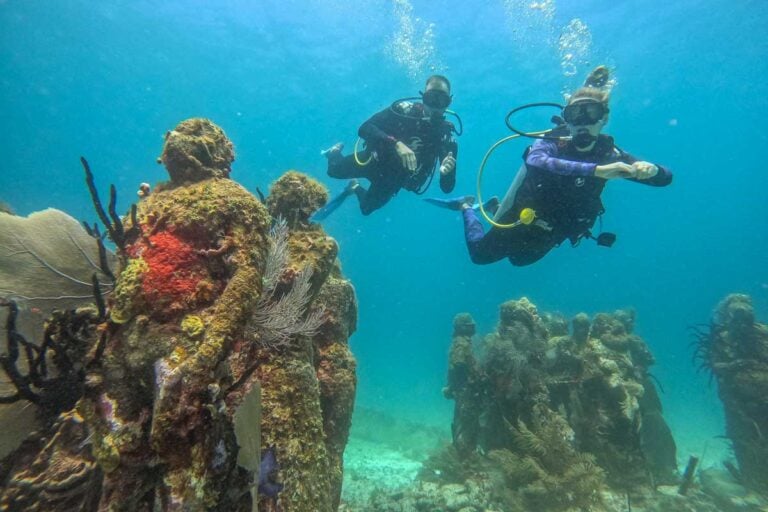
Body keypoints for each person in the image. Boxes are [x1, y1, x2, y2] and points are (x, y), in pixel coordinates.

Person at [431, 74, 672, 266]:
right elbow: (536, 160)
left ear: (604, 119)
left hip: (554, 231)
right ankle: (465, 206)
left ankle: (492, 208)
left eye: (591, 114)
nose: (582, 123)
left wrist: (650, 169)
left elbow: (665, 178)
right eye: (574, 116)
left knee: (519, 262)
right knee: (479, 256)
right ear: (566, 119)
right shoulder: (554, 141)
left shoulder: (611, 154)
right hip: (520, 217)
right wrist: (596, 170)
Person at [314, 75, 458, 218]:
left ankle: (354, 187)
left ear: (449, 102)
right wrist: (396, 143)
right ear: (423, 97)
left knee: (366, 209)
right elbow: (365, 128)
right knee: (333, 171)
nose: (435, 106)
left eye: (442, 100)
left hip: (392, 180)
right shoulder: (402, 111)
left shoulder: (446, 137)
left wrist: (447, 173)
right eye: (431, 98)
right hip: (372, 161)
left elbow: (447, 188)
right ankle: (334, 152)